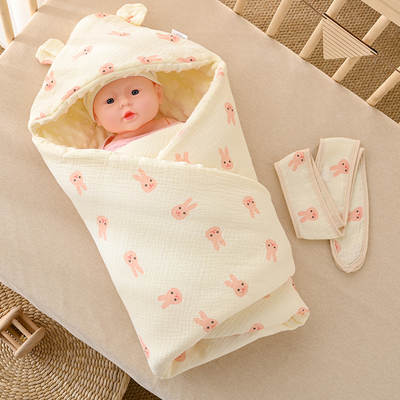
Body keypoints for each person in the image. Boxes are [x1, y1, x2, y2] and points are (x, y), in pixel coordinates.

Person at [83, 71, 181, 151]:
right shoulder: (105, 154)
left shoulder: (176, 127)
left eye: (134, 92)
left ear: (158, 94)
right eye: (110, 101)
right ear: (96, 117)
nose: (124, 102)